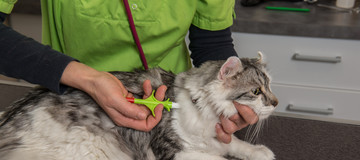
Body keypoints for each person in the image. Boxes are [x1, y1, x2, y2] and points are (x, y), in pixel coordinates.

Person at [0, 0, 258, 143]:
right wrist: (90, 80)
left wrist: (228, 92)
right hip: (74, 110)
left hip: (170, 117)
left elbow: (211, 42)